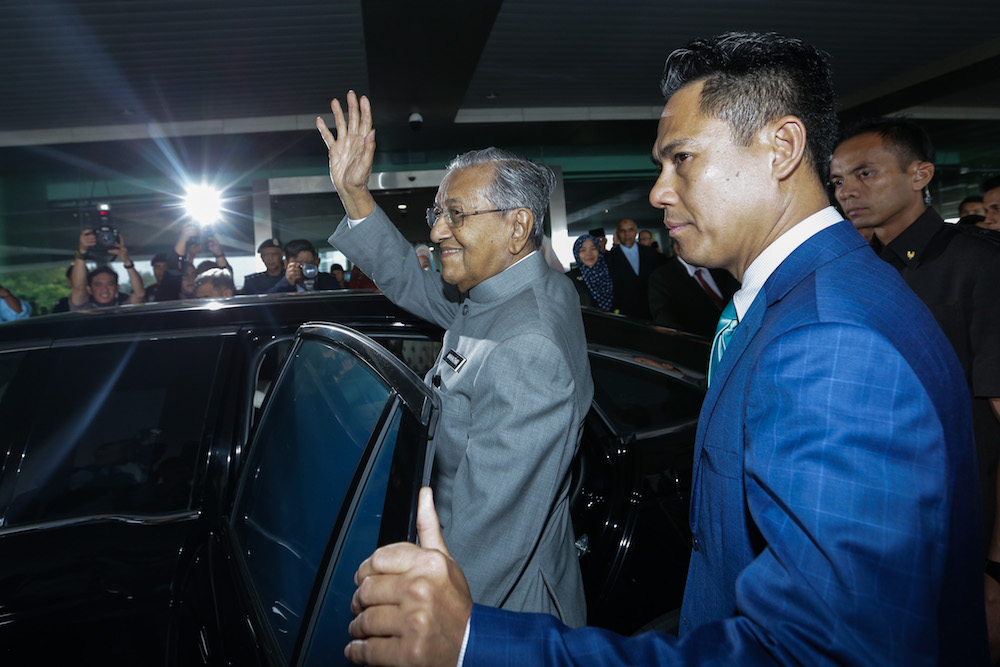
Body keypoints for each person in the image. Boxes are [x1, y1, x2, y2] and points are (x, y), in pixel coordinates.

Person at [343, 32, 986, 666]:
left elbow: (814, 653)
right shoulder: (816, 295)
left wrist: (472, 642)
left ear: (782, 147)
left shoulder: (832, 342)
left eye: (681, 158)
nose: (658, 191)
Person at [319, 91, 593, 625]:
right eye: (438, 212)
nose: (438, 229)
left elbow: (489, 536)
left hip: (496, 609)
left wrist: (431, 631)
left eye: (457, 215)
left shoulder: (525, 347)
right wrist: (355, 195)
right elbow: (409, 282)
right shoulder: (513, 288)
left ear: (517, 227)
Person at [830, 119, 1000, 566]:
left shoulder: (979, 265)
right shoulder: (862, 272)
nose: (847, 190)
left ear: (920, 175)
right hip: (886, 521)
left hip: (966, 524)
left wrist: (998, 565)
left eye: (865, 173)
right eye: (838, 180)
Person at [647, 241, 739, 337]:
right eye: (695, 242)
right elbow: (666, 321)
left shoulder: (717, 265)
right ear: (677, 248)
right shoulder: (662, 277)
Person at [605, 217, 666, 319]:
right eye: (623, 230)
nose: (627, 234)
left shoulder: (652, 254)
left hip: (654, 312)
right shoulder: (609, 258)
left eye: (630, 230)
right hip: (626, 315)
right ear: (617, 234)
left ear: (636, 232)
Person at [69, 229, 145, 311]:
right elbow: (79, 288)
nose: (104, 290)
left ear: (117, 288)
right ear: (89, 289)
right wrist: (82, 252)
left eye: (110, 284)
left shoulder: (124, 309)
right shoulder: (83, 309)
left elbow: (139, 295)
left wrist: (127, 261)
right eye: (98, 284)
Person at [265, 239, 342, 293]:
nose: (305, 268)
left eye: (309, 263)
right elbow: (265, 307)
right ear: (286, 264)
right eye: (298, 264)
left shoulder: (328, 281)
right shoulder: (276, 283)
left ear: (317, 262)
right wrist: (286, 283)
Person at [565, 234, 615, 310]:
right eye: (583, 250)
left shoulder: (612, 273)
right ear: (576, 253)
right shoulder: (569, 279)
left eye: (593, 248)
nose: (589, 254)